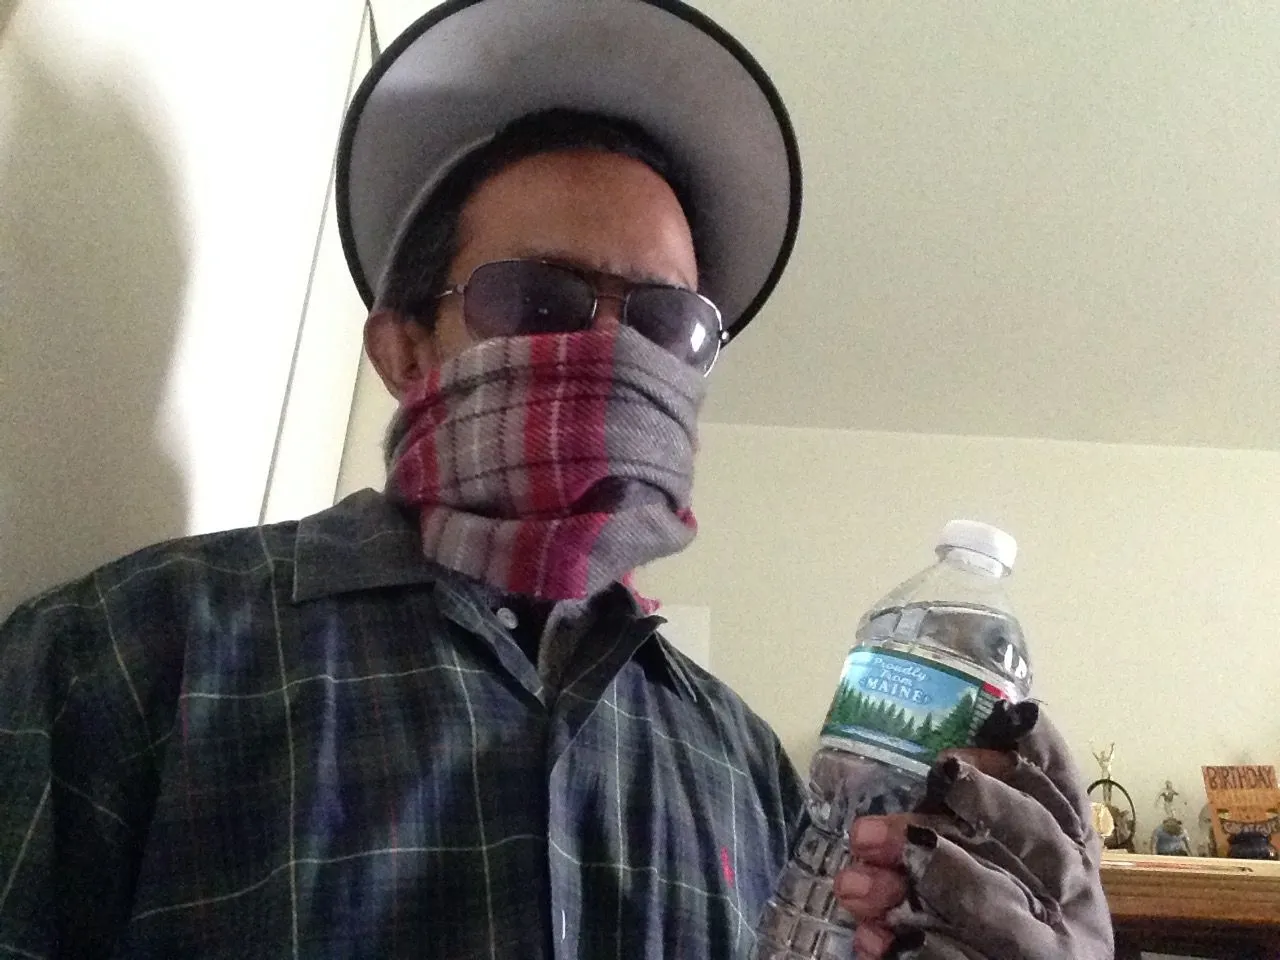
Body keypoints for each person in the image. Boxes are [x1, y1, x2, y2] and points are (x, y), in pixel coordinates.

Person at [0, 1, 1112, 957]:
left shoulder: (754, 775)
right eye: (537, 298)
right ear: (405, 351)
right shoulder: (123, 660)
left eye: (669, 324)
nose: (615, 355)